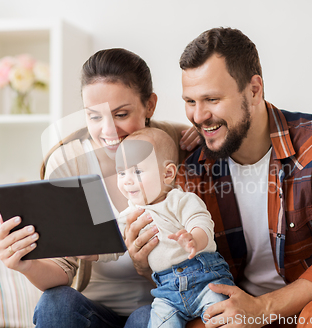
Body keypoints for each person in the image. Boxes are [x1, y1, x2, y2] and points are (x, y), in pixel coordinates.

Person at [129, 28, 312, 328]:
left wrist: (262, 308)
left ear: (254, 90)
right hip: (238, 313)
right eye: (190, 102)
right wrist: (144, 260)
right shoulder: (192, 168)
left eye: (211, 99)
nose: (198, 116)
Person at [0, 48, 201, 328]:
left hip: (159, 307)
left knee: (147, 318)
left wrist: (202, 130)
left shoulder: (169, 149)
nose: (109, 131)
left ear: (149, 105)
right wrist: (24, 264)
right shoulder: (72, 162)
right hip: (91, 313)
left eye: (122, 114)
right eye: (94, 117)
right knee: (55, 303)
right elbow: (62, 271)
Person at [90, 127, 235, 327]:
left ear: (168, 174)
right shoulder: (130, 215)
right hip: (166, 293)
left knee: (224, 317)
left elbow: (200, 221)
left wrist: (194, 239)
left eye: (137, 171)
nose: (127, 180)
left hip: (205, 279)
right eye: (121, 173)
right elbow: (112, 244)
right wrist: (91, 252)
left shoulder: (180, 200)